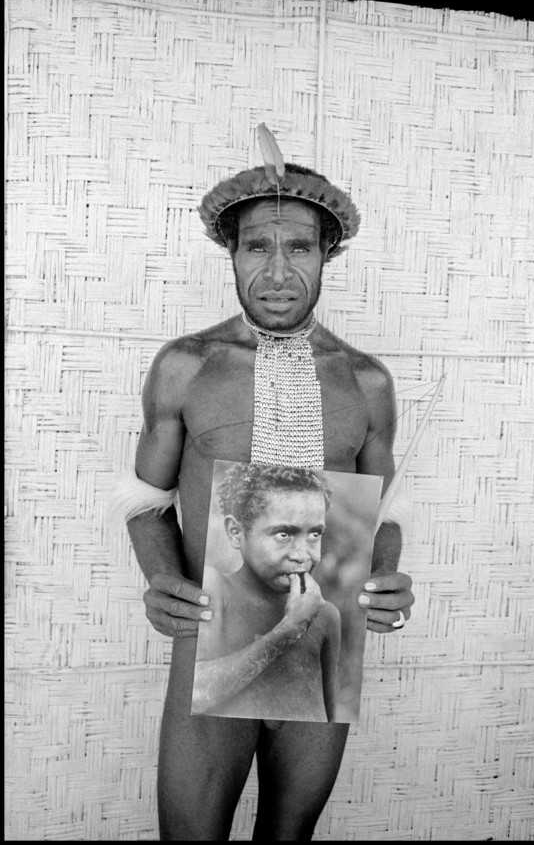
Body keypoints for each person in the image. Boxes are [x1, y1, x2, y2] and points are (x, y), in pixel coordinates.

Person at [113, 139, 415, 841]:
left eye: (300, 247)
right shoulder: (186, 366)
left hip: (322, 641)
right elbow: (145, 499)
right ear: (232, 252)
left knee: (289, 834)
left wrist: (385, 578)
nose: (277, 271)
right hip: (212, 644)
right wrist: (161, 578)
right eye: (257, 246)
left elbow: (385, 511)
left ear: (327, 253)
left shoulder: (367, 381)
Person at [191, 462, 341, 723]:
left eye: (315, 534)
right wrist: (290, 628)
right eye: (284, 534)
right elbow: (196, 692)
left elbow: (330, 717)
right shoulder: (216, 589)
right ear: (236, 533)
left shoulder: (326, 615)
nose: (302, 555)